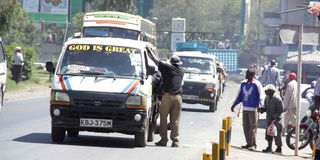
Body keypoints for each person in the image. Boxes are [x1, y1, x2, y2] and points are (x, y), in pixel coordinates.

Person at [146, 46, 184, 147]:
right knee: (175, 121)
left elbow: (155, 60)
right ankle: (175, 141)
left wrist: (149, 51)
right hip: (178, 98)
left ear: (171, 63)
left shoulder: (168, 68)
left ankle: (164, 140)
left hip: (167, 97)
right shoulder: (181, 71)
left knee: (163, 119)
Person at [231, 68, 263, 150]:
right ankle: (248, 143)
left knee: (252, 128)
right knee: (246, 127)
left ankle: (252, 144)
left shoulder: (257, 84)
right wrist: (234, 105)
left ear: (253, 75)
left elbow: (260, 96)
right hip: (245, 108)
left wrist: (260, 106)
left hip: (253, 109)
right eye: (247, 74)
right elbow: (239, 95)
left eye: (249, 74)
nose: (247, 76)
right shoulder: (243, 84)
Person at [258, 84, 283, 154]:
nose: (266, 92)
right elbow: (266, 107)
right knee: (268, 133)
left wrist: (274, 116)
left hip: (276, 120)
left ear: (272, 91)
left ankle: (279, 148)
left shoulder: (277, 98)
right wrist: (262, 110)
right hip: (269, 119)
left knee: (277, 134)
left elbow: (280, 110)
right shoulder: (267, 97)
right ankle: (269, 147)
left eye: (267, 91)